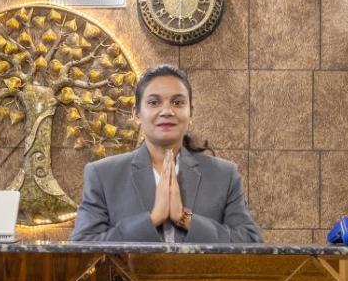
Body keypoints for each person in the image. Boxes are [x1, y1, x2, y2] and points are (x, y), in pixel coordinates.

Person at [71, 63, 262, 243]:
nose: (167, 111)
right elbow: (82, 245)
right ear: (136, 114)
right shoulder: (103, 175)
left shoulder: (224, 175)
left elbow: (251, 241)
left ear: (190, 113)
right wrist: (152, 219)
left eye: (177, 102)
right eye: (154, 102)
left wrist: (184, 218)